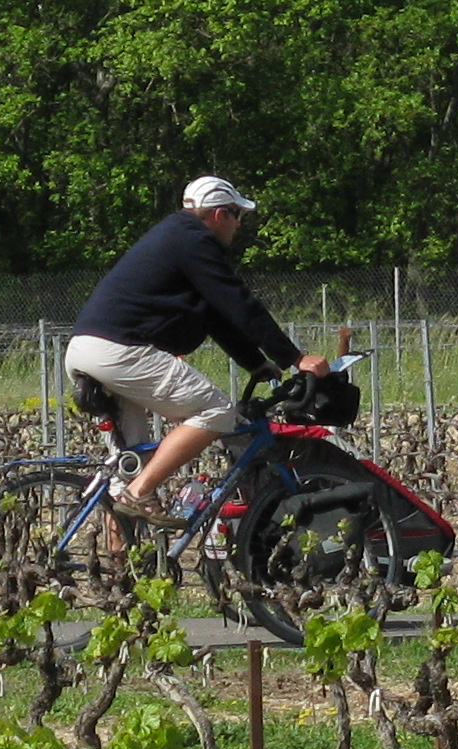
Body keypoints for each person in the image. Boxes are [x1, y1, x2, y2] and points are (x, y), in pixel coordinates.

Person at [65, 177, 328, 521]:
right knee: (216, 411)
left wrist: (255, 363)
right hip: (120, 351)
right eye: (237, 215)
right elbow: (238, 303)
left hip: (87, 348)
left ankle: (123, 549)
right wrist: (295, 357)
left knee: (131, 467)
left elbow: (215, 316)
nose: (238, 225)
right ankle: (138, 493)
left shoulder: (176, 236)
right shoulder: (194, 240)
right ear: (220, 214)